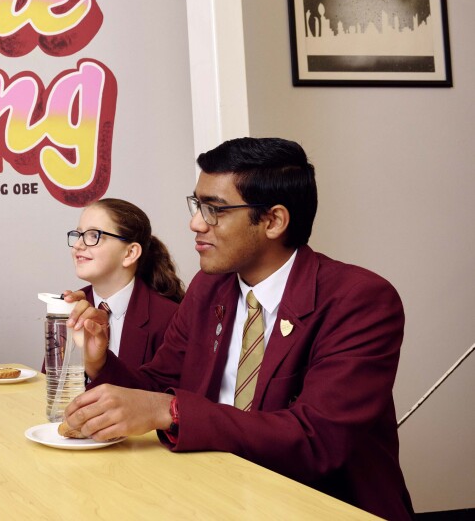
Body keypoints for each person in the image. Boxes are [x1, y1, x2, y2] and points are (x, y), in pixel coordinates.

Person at [63, 138, 412, 520]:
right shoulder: (208, 288)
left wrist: (172, 411)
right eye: (197, 205)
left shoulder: (360, 299)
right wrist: (100, 362)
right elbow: (153, 390)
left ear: (273, 221)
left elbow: (316, 441)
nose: (196, 223)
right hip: (216, 491)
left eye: (214, 210)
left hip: (318, 505)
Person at [64, 199, 183, 370]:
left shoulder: (169, 318)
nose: (77, 245)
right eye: (79, 234)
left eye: (93, 235)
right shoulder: (71, 308)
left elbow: (159, 394)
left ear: (130, 253)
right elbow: (49, 385)